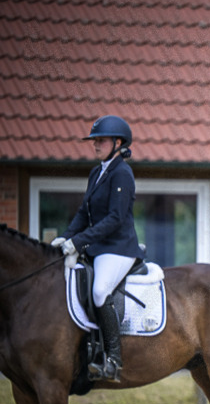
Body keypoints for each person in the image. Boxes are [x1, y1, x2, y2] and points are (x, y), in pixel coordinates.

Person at [52, 115, 144, 382]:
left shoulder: (122, 173)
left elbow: (115, 219)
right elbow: (84, 212)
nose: (95, 144)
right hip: (99, 248)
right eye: (94, 140)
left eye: (101, 140)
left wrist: (79, 242)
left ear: (117, 143)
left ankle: (114, 358)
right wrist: (66, 237)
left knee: (100, 290)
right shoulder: (97, 172)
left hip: (119, 249)